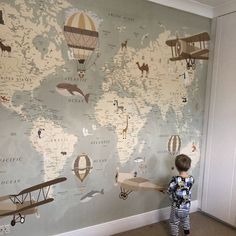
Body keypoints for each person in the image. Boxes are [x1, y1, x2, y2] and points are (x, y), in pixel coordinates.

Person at [167, 154, 194, 236]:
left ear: (176, 166)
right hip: (187, 206)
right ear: (189, 166)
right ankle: (187, 233)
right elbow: (188, 187)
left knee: (174, 223)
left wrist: (166, 191)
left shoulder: (175, 179)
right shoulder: (191, 178)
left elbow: (169, 190)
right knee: (186, 219)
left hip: (177, 207)